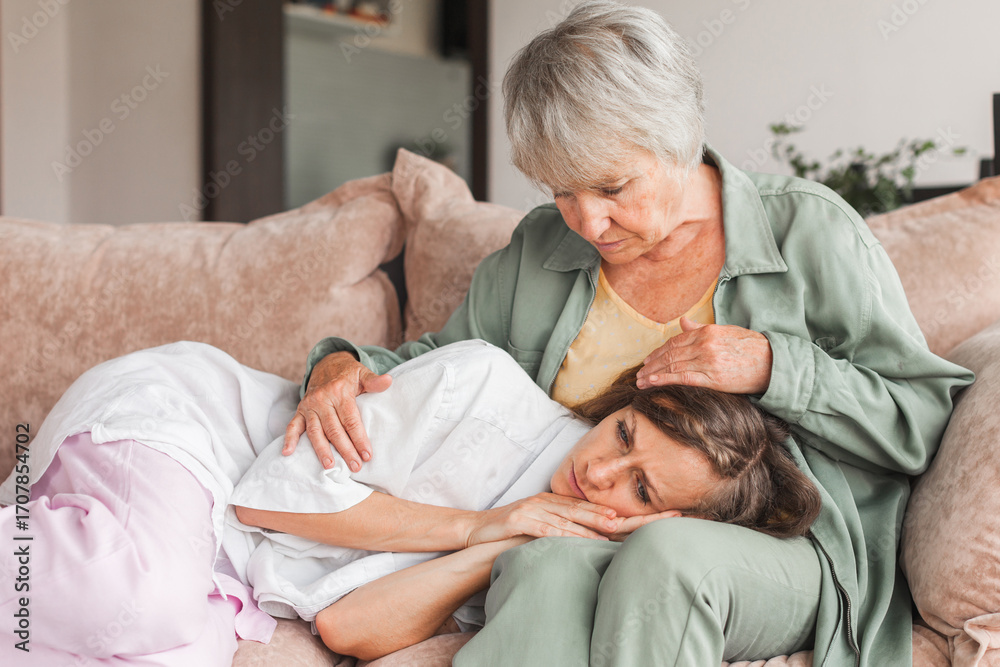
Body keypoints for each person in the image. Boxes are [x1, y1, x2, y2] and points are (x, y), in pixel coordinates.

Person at [283, 2, 975, 665]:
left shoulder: (811, 232)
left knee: (667, 553)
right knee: (543, 563)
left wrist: (775, 366)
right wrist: (337, 364)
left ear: (678, 139)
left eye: (612, 188)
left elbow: (922, 419)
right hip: (588, 528)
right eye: (561, 191)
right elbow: (439, 366)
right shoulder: (541, 251)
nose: (588, 223)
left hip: (789, 547)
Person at [0, 339, 817, 665]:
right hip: (190, 435)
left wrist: (504, 544)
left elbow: (346, 625)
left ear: (668, 521)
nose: (602, 472)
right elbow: (270, 502)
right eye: (625, 433)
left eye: (640, 487)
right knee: (140, 593)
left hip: (228, 568)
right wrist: (483, 522)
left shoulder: (556, 555)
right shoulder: (486, 385)